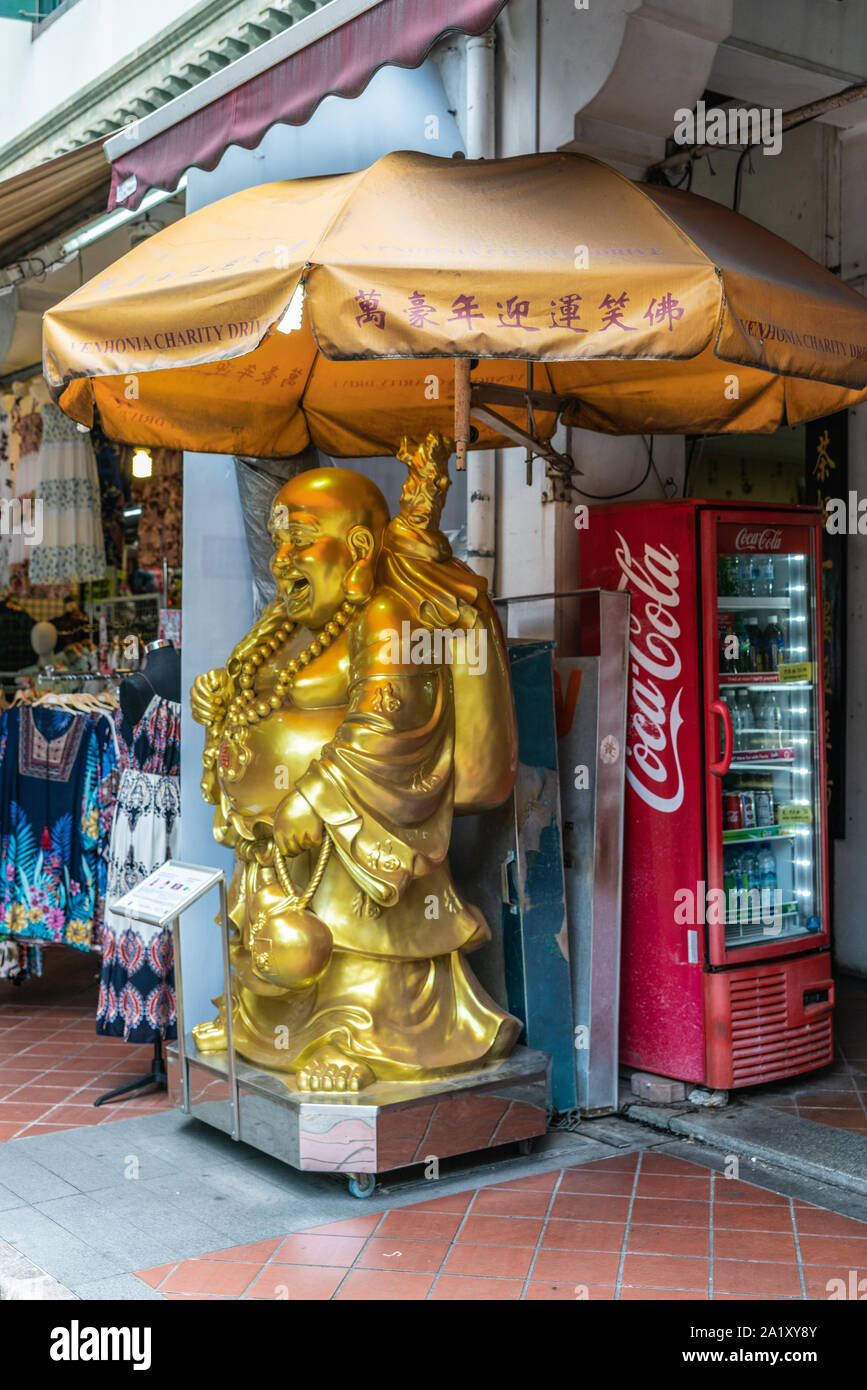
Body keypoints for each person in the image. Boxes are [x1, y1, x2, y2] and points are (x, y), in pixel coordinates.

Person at [190, 434, 519, 1091]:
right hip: (280, 847)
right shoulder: (286, 626)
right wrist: (219, 696)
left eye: (300, 539)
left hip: (357, 842)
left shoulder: (386, 616)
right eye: (278, 539)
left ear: (359, 548)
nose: (283, 557)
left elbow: (392, 719)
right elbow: (255, 690)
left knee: (354, 950)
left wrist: (315, 796)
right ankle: (268, 1031)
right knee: (280, 952)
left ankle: (357, 1040)